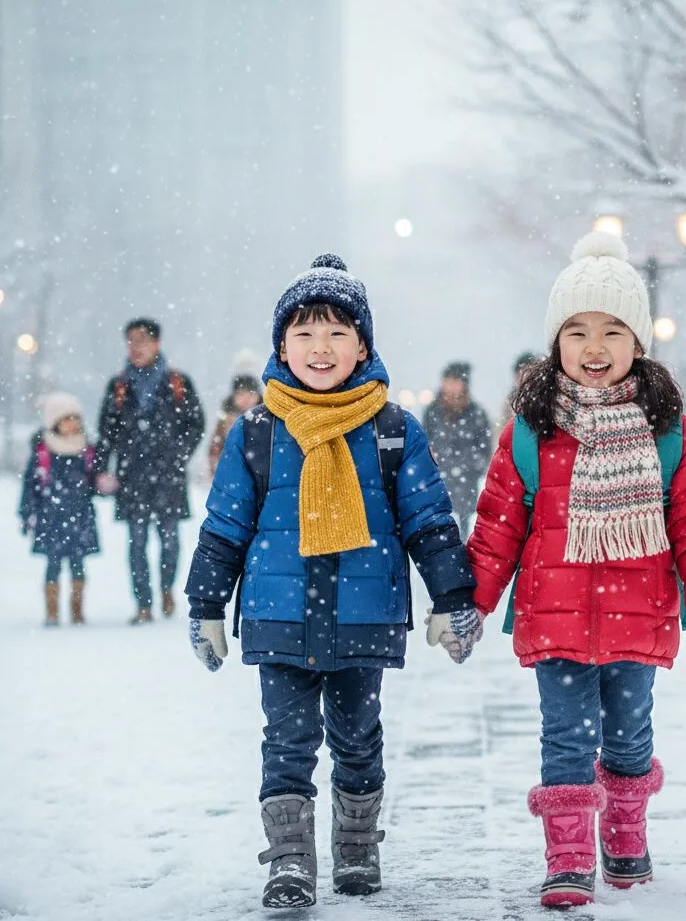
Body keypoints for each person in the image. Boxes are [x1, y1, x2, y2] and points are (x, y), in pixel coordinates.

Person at [428, 231, 686, 908]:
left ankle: (624, 835)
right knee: (564, 735)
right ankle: (567, 856)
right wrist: (467, 604)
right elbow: (496, 529)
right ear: (554, 343)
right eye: (576, 332)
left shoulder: (669, 432)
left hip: (637, 611)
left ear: (636, 343)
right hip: (552, 613)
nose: (593, 349)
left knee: (629, 734)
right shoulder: (529, 431)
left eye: (611, 331)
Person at [184, 254, 478, 910]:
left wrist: (451, 597)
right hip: (278, 611)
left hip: (362, 611)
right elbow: (225, 524)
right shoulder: (256, 431)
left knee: (356, 738)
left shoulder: (392, 428)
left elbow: (428, 519)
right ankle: (289, 859)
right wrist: (205, 603)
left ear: (363, 345)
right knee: (285, 742)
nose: (320, 347)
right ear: (281, 346)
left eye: (336, 333)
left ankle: (355, 847)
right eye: (304, 333)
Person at [94, 318, 205, 624]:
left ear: (156, 343)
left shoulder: (177, 383)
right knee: (137, 542)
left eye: (142, 340)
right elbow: (106, 431)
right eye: (130, 341)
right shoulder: (118, 386)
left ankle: (167, 589)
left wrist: (178, 453)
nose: (135, 347)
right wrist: (102, 469)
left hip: (168, 475)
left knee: (170, 540)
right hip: (132, 475)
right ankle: (143, 602)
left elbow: (196, 424)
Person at [18, 392, 99, 626]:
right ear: (54, 422)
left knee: (78, 565)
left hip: (80, 516)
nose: (72, 424)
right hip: (51, 518)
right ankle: (52, 611)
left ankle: (77, 609)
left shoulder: (87, 450)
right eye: (66, 419)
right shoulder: (43, 452)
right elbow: (30, 486)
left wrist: (103, 484)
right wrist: (26, 514)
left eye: (75, 418)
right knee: (52, 564)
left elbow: (93, 482)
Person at [422, 361, 492, 530]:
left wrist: (469, 465)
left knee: (465, 531)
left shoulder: (476, 413)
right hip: (438, 481)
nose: (450, 386)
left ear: (464, 384)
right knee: (437, 530)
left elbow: (484, 448)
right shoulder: (432, 412)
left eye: (455, 381)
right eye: (447, 381)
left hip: (466, 484)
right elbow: (423, 442)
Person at [208, 373, 262, 476]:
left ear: (258, 396)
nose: (246, 399)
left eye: (251, 394)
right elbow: (215, 449)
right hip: (232, 474)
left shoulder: (268, 417)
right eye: (241, 394)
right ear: (233, 397)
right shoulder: (225, 419)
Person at [494, 350, 540, 436]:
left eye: (528, 373)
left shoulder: (545, 399)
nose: (524, 378)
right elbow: (501, 432)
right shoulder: (509, 403)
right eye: (520, 374)